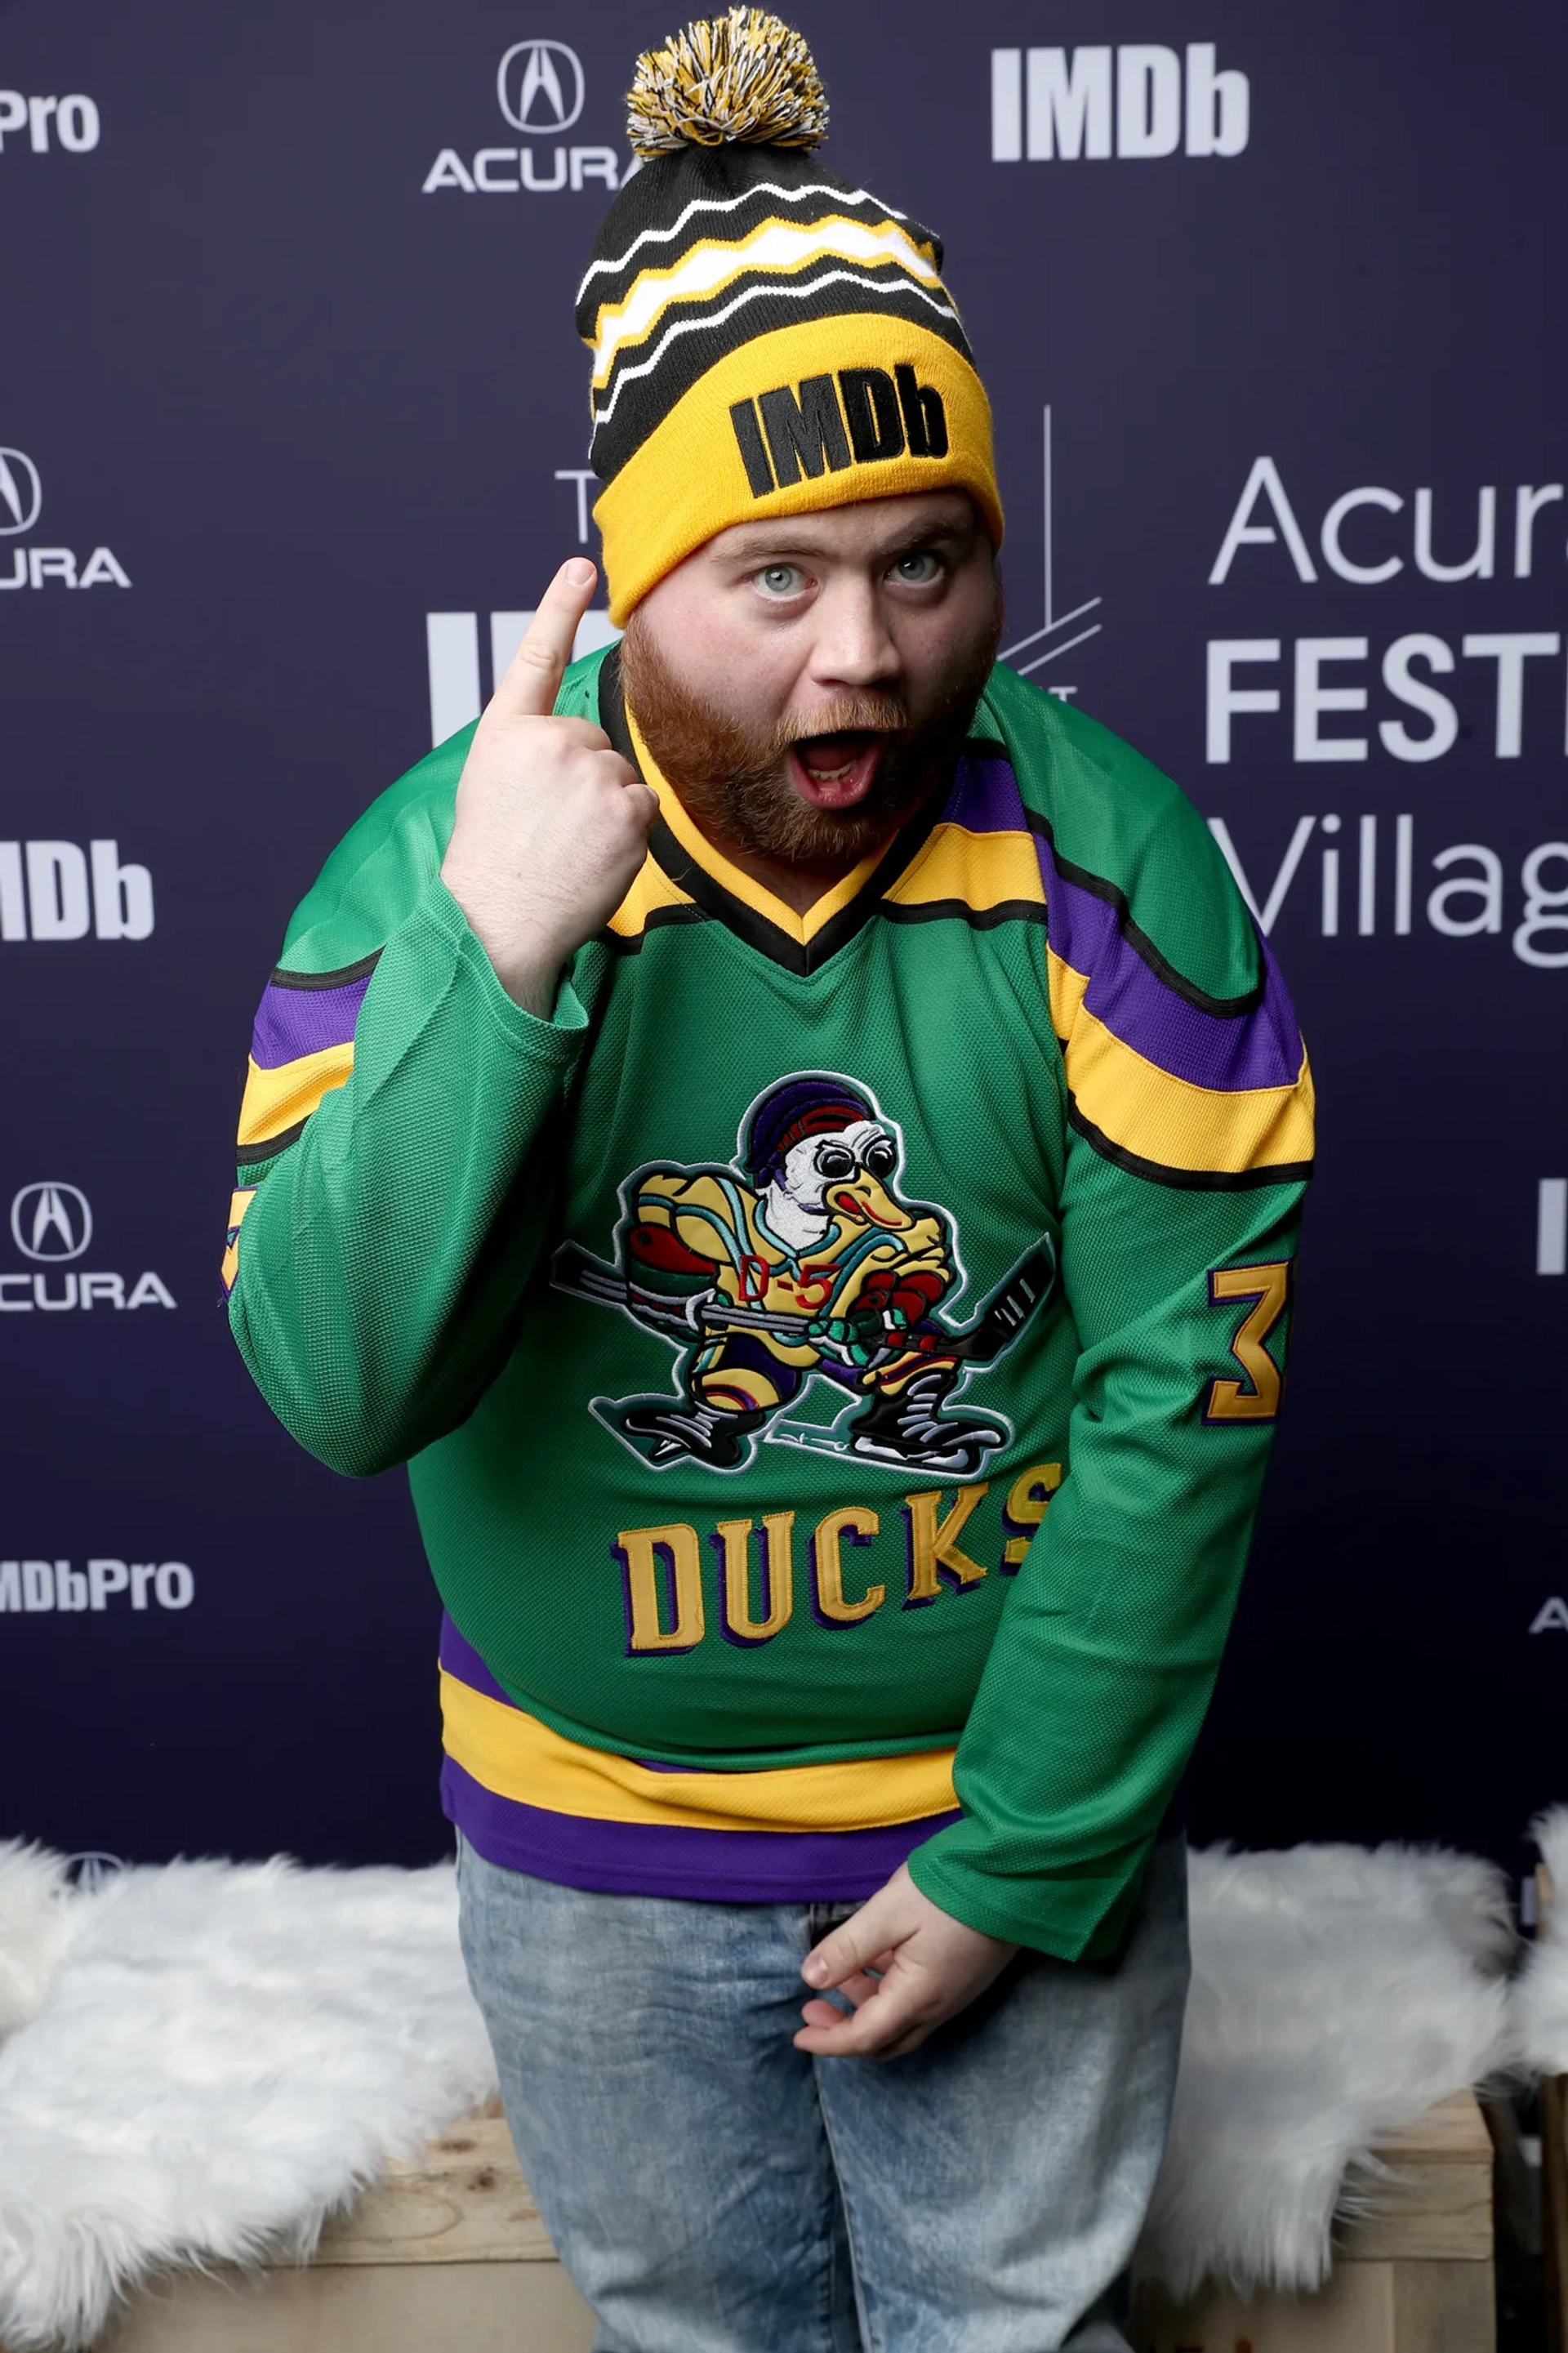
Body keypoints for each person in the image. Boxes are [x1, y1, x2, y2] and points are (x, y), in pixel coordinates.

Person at [225, 11, 1313, 2346]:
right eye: (779, 578)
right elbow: (334, 1380)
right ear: (625, 580)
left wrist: (1029, 1848)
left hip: (1006, 1823)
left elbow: (1175, 1397)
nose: (866, 659)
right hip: (593, 1851)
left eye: (930, 566)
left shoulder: (1111, 876)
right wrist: (497, 956)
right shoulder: (425, 876)